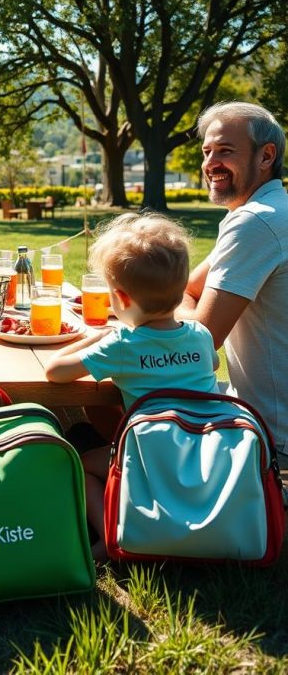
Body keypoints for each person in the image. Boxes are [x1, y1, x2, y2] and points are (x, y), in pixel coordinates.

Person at [45, 213, 219, 560]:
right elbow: (212, 365)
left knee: (78, 465)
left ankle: (109, 536)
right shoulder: (200, 336)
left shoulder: (122, 345)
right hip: (204, 454)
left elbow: (54, 371)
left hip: (147, 457)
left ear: (121, 299)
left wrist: (93, 338)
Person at [177, 101, 288, 471]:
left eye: (225, 151)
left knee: (127, 400)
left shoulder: (257, 222)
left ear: (266, 156)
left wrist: (164, 312)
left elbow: (199, 344)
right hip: (264, 412)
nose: (210, 163)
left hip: (272, 436)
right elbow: (188, 288)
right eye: (207, 151)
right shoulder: (268, 211)